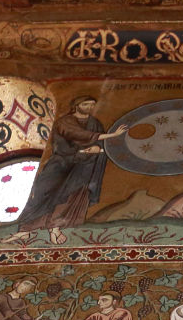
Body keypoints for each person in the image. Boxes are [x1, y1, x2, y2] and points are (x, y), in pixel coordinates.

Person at [16, 97, 128, 240]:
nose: (89, 107)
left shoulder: (95, 123)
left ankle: (55, 228)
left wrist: (96, 149)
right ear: (76, 106)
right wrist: (112, 135)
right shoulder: (65, 121)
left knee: (71, 196)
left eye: (92, 105)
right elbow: (77, 135)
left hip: (84, 167)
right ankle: (27, 228)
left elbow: (100, 145)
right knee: (44, 192)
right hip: (62, 163)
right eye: (85, 104)